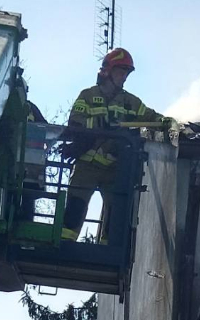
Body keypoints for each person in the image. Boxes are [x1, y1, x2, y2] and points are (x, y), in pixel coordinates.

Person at [62, 48, 170, 242]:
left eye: (126, 73)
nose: (124, 77)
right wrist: (102, 125)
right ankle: (64, 246)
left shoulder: (131, 102)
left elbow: (152, 118)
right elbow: (75, 123)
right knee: (74, 210)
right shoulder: (87, 95)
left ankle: (105, 249)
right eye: (121, 72)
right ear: (107, 71)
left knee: (115, 217)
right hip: (86, 166)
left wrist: (169, 123)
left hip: (114, 169)